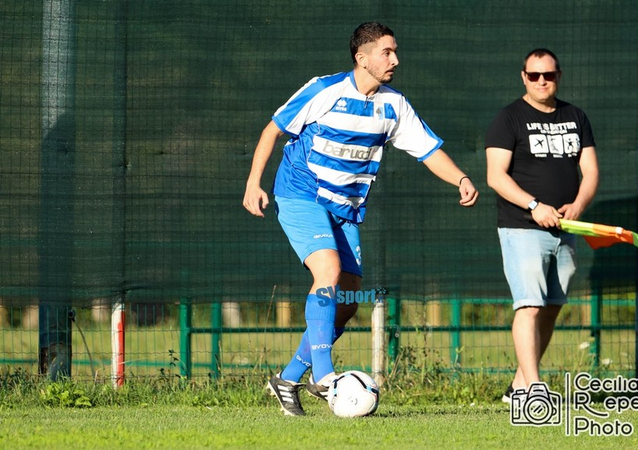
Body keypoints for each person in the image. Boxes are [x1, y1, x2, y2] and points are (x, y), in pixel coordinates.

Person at [243, 22, 479, 416]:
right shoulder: (324, 89)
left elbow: (426, 149)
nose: (395, 60)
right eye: (387, 52)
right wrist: (254, 183)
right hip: (301, 193)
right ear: (362, 58)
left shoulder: (394, 105)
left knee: (349, 301)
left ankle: (287, 380)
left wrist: (461, 177)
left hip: (345, 208)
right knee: (329, 271)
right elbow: (273, 130)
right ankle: (323, 376)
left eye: (395, 51)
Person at [484, 49, 599, 402]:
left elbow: (591, 170)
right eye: (534, 76)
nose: (541, 81)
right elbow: (495, 176)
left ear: (558, 75)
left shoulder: (575, 116)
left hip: (566, 230)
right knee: (529, 305)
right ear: (523, 77)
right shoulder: (509, 118)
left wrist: (578, 205)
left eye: (547, 75)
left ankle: (519, 387)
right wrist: (534, 206)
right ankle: (535, 389)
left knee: (551, 306)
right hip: (522, 227)